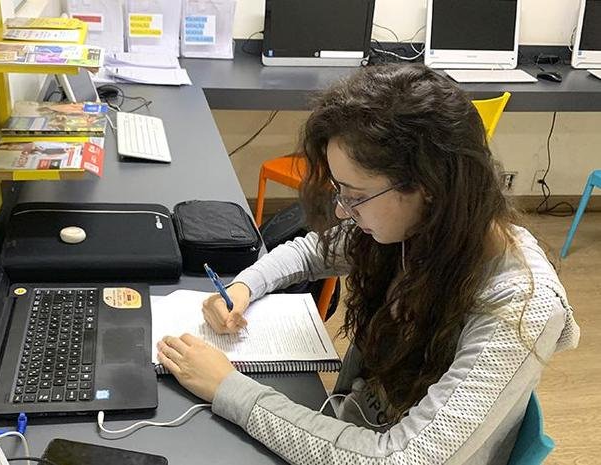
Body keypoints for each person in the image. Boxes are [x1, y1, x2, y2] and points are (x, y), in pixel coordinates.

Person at [156, 64, 580, 464]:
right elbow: (310, 251)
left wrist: (229, 389)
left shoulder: (519, 305)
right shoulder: (424, 228)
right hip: (351, 426)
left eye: (356, 196)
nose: (342, 212)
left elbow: (402, 457)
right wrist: (243, 289)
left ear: (427, 187)